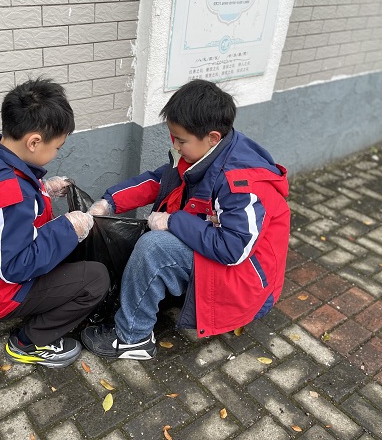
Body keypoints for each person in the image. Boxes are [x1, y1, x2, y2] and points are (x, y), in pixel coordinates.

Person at [81, 79, 290, 360]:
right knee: (153, 238)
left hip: (243, 283)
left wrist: (173, 221)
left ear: (212, 137)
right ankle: (160, 293)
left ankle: (133, 338)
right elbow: (160, 181)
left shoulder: (240, 184)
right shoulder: (207, 153)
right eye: (173, 137)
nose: (175, 146)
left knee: (154, 247)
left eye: (180, 140)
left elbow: (233, 249)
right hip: (222, 260)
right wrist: (109, 202)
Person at [0, 78, 109, 368]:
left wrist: (42, 190)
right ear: (34, 142)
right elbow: (16, 266)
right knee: (96, 279)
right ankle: (29, 342)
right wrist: (68, 228)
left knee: (65, 251)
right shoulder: (10, 195)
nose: (57, 153)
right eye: (58, 147)